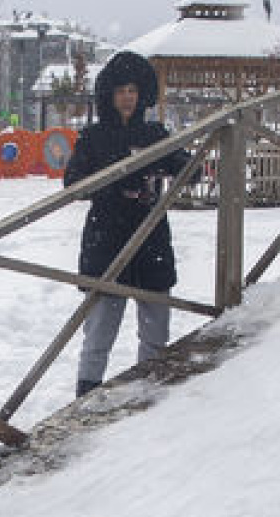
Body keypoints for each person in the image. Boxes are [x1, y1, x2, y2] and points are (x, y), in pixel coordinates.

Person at [64, 50, 194, 398]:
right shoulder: (93, 137)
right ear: (110, 94)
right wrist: (115, 181)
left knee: (155, 333)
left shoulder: (155, 133)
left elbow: (186, 167)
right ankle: (85, 400)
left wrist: (183, 166)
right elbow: (73, 182)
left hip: (150, 239)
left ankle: (148, 398)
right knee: (98, 335)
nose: (127, 98)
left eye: (133, 91)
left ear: (142, 95)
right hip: (107, 241)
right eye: (121, 90)